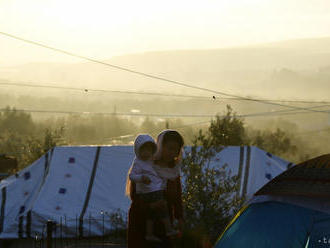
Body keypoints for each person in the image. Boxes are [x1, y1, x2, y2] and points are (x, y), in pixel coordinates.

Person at [127, 130, 184, 248]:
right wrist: (151, 206)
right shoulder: (146, 165)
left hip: (164, 227)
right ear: (160, 146)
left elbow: (177, 198)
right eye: (170, 148)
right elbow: (135, 196)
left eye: (176, 150)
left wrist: (180, 218)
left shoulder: (173, 172)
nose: (172, 153)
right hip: (142, 224)